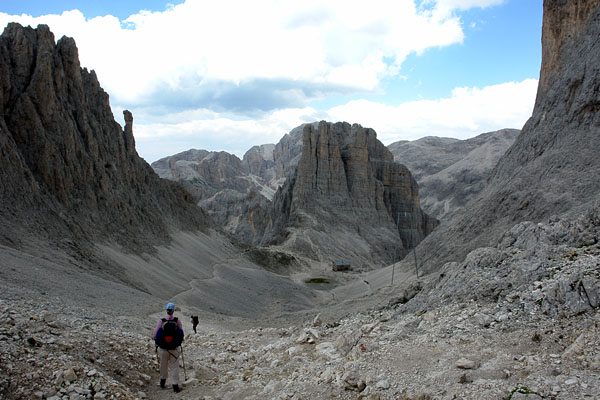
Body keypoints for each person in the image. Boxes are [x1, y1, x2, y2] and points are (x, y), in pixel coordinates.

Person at [152, 302, 184, 393]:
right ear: (173, 311)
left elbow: (155, 334)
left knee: (163, 365)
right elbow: (181, 333)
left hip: (163, 348)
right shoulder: (177, 321)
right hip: (174, 349)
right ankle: (175, 386)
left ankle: (162, 382)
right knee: (174, 367)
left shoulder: (161, 321)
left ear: (166, 310)